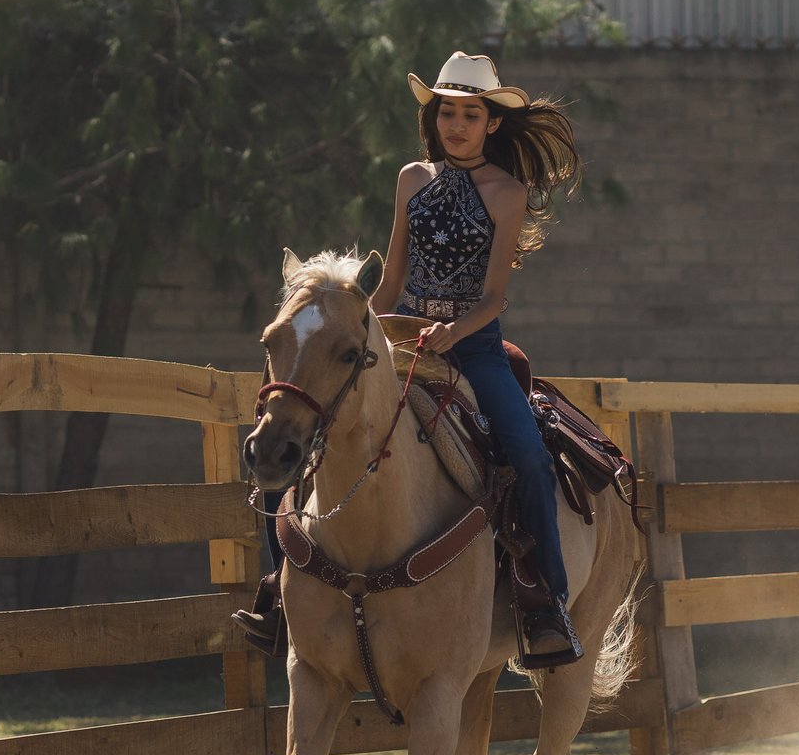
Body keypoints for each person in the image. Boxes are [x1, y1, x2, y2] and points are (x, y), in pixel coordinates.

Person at [236, 49, 584, 670]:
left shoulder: (508, 193)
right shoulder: (411, 180)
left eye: (470, 114)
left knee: (528, 455)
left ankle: (544, 604)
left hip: (472, 346)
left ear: (492, 123)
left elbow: (495, 295)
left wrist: (453, 333)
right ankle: (279, 593)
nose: (456, 125)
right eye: (447, 112)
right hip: (396, 337)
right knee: (307, 435)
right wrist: (368, 328)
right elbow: (391, 278)